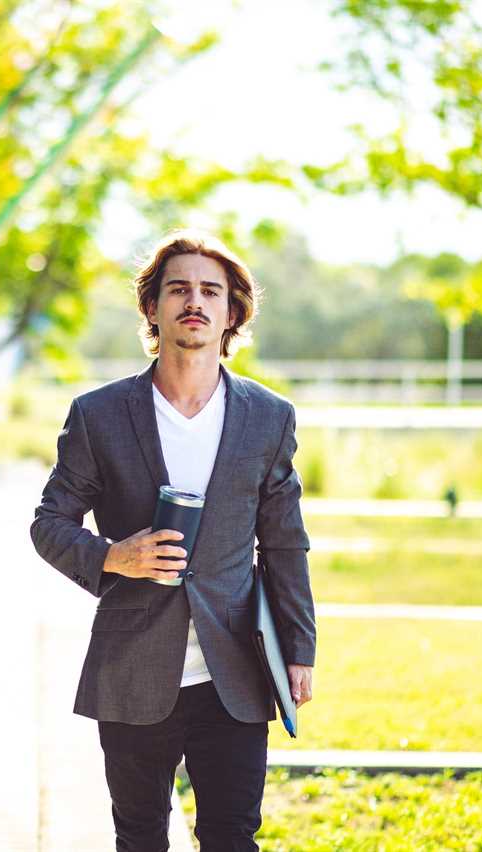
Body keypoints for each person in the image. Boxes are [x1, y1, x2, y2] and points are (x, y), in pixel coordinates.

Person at [30, 229, 316, 851]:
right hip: (131, 669)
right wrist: (112, 557)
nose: (195, 301)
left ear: (232, 312)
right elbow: (48, 523)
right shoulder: (99, 414)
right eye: (178, 289)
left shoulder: (269, 417)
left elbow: (285, 543)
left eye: (211, 291)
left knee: (232, 837)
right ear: (153, 308)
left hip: (235, 672)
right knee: (139, 840)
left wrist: (298, 646)